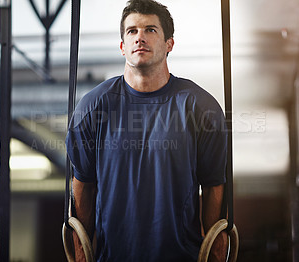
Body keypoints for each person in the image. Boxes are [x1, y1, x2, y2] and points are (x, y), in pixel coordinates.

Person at [66, 0, 228, 261]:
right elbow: (83, 184)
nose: (140, 37)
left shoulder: (201, 107)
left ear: (169, 44)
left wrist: (216, 253)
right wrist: (81, 254)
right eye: (132, 31)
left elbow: (213, 186)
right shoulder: (92, 108)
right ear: (122, 47)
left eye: (150, 30)